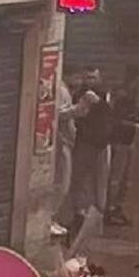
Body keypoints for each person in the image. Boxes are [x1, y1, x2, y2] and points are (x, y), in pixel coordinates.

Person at [67, 67, 112, 239]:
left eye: (94, 77)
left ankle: (97, 220)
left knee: (100, 183)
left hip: (102, 146)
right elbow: (74, 114)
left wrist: (99, 103)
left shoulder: (104, 95)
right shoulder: (79, 95)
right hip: (85, 144)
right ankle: (79, 215)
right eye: (88, 78)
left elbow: (110, 114)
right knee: (78, 181)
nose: (91, 81)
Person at [54, 67, 96, 237]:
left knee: (64, 182)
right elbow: (59, 114)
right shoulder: (61, 90)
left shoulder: (67, 91)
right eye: (77, 77)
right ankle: (51, 218)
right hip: (61, 142)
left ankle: (53, 217)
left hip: (67, 142)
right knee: (61, 183)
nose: (80, 82)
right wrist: (80, 106)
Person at [105, 64, 139, 227]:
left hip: (127, 140)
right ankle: (110, 208)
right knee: (116, 177)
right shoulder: (123, 95)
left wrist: (136, 121)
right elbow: (116, 118)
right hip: (120, 140)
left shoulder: (131, 94)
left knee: (123, 179)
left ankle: (116, 207)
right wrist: (133, 125)